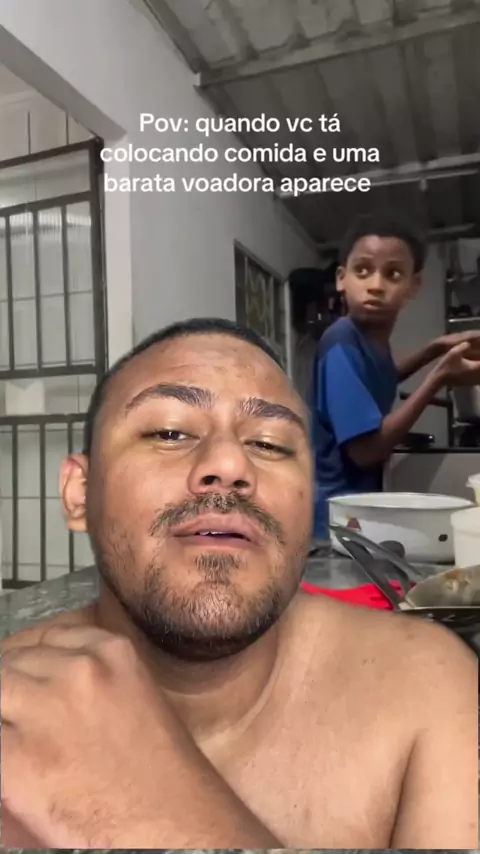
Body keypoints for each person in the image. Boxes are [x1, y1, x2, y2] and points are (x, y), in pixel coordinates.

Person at [1, 318, 477, 849]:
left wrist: (156, 812)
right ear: (79, 493)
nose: (231, 464)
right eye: (169, 432)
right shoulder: (11, 712)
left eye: (269, 444)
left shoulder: (427, 687)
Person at [312, 213, 480, 538]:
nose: (376, 285)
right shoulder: (341, 342)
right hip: (337, 516)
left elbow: (383, 378)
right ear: (342, 278)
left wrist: (435, 349)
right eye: (363, 270)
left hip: (358, 506)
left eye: (393, 274)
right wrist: (439, 377)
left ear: (413, 286)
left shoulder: (370, 339)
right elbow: (366, 452)